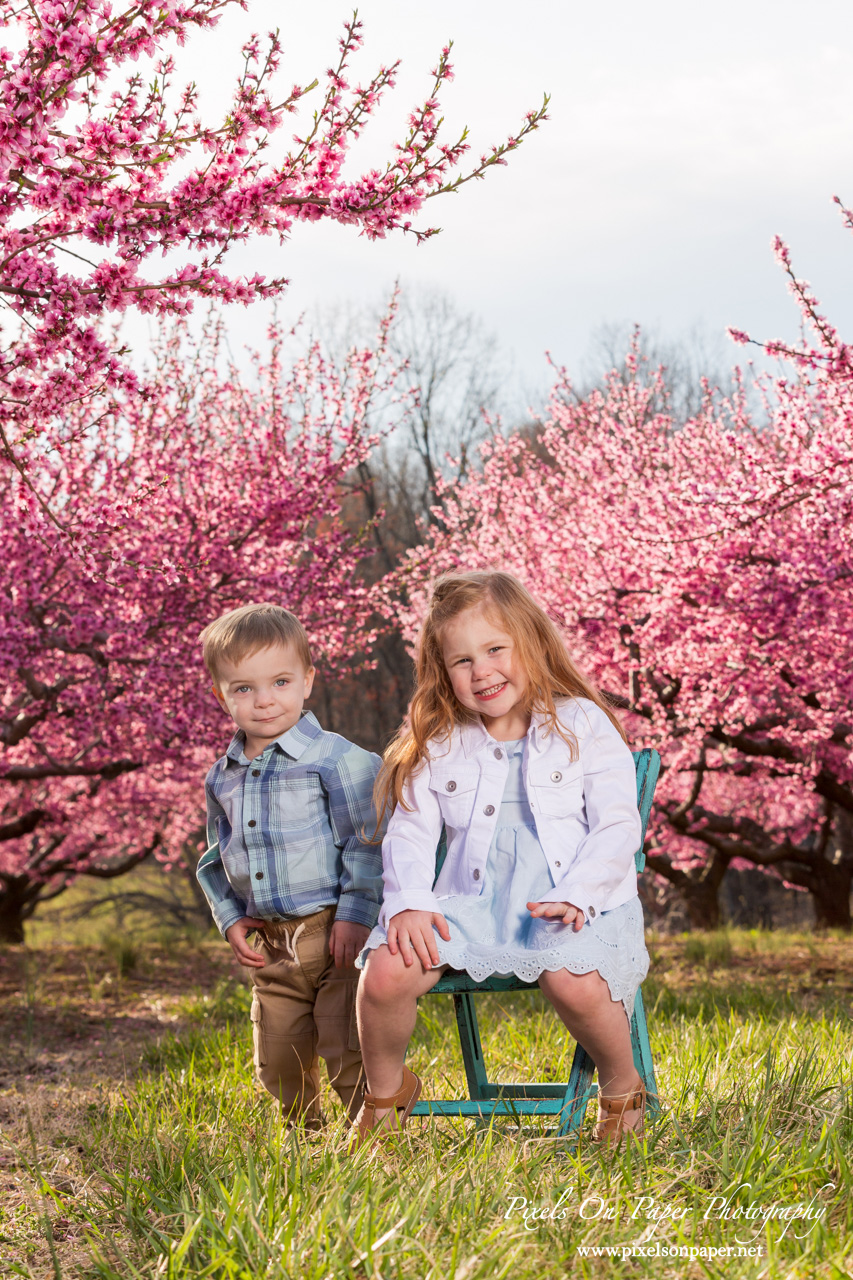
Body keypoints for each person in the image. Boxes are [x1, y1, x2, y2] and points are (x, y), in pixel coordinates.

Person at [352, 571, 650, 1149]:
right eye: (461, 661)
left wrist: (579, 894)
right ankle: (385, 1095)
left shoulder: (581, 724)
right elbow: (410, 831)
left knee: (571, 980)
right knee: (385, 972)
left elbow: (617, 827)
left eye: (494, 649)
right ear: (443, 672)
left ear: (531, 642)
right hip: (473, 903)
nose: (481, 670)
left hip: (576, 903)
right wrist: (409, 904)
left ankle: (621, 1084)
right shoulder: (440, 739)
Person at [197, 603, 383, 1131]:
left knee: (345, 1040)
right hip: (273, 943)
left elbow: (367, 841)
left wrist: (356, 913)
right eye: (243, 689)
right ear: (221, 695)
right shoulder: (223, 777)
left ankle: (370, 1131)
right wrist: (230, 918)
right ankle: (304, 1129)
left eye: (280, 681)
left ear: (307, 681)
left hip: (334, 931)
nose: (264, 700)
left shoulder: (334, 759)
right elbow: (215, 856)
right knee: (277, 1054)